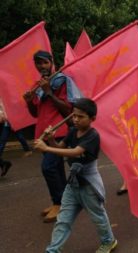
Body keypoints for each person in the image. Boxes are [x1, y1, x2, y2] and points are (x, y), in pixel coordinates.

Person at [34, 98, 117, 253]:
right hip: (72, 185)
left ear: (92, 119)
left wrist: (46, 148)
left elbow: (75, 151)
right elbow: (60, 148)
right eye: (74, 115)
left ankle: (109, 241)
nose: (76, 119)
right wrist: (51, 139)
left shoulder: (93, 135)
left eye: (81, 116)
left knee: (98, 217)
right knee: (63, 220)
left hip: (89, 186)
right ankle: (53, 250)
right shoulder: (72, 131)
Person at [22, 50, 82, 223]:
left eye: (44, 62)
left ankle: (59, 204)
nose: (41, 66)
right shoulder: (38, 85)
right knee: (55, 169)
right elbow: (35, 113)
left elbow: (67, 109)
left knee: (48, 168)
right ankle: (63, 202)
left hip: (57, 132)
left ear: (51, 62)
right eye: (38, 63)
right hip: (42, 134)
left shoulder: (61, 80)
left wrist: (49, 91)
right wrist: (28, 100)